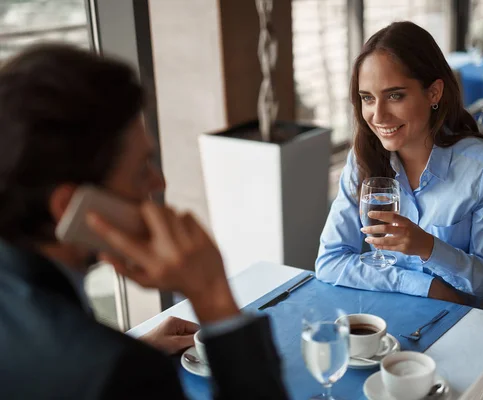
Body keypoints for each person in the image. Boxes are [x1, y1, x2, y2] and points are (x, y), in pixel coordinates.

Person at [0, 43, 288, 399]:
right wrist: (212, 296)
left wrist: (133, 346)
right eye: (141, 171)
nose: (159, 183)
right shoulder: (118, 371)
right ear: (68, 206)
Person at [316, 21, 483, 315]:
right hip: (395, 319)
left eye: (395, 95)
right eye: (367, 98)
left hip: (472, 325)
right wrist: (425, 287)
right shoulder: (361, 161)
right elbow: (329, 261)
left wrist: (429, 248)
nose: (378, 115)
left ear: (434, 93)